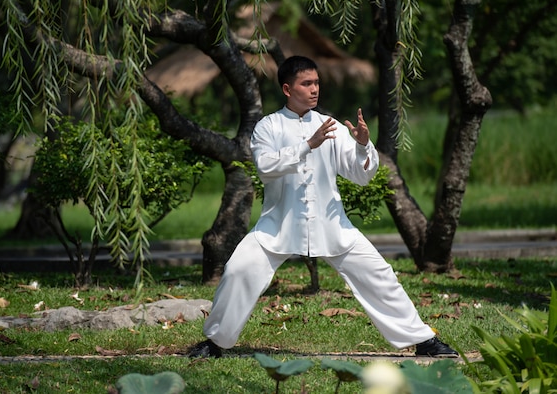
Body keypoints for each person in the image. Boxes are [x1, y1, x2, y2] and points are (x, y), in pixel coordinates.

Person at [189, 55, 458, 359]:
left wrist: (361, 145)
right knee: (238, 271)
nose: (315, 89)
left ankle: (424, 341)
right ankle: (214, 343)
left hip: (333, 225)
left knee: (379, 274)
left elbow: (361, 175)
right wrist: (307, 145)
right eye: (307, 83)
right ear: (288, 89)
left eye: (317, 82)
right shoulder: (269, 126)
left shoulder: (331, 126)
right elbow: (265, 167)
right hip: (278, 226)